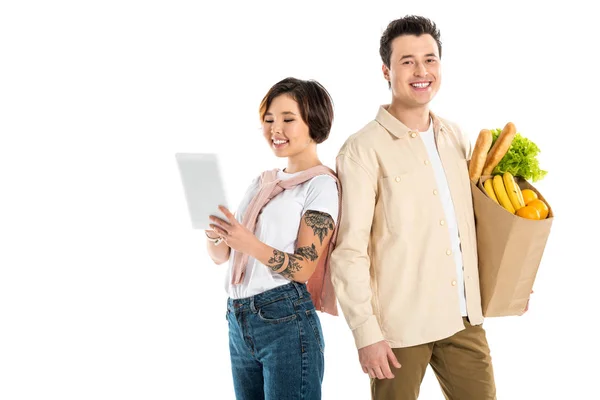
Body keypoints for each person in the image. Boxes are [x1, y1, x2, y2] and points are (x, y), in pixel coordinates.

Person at [329, 15, 518, 399]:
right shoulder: (362, 150)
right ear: (387, 70)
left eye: (430, 59)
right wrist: (366, 333)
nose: (421, 71)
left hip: (462, 318)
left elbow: (476, 229)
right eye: (408, 61)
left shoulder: (456, 138)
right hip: (398, 329)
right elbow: (349, 251)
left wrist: (512, 283)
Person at [205, 77, 341, 400]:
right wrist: (216, 236)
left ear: (314, 122)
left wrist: (246, 242)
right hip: (238, 318)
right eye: (268, 120)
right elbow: (221, 257)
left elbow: (303, 268)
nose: (274, 129)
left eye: (287, 119)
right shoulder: (262, 182)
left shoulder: (320, 186)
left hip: (284, 318)